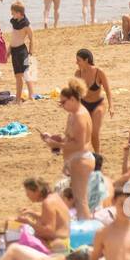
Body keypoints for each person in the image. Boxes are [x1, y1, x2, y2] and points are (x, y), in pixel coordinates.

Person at [40, 79, 95, 219]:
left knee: (81, 201)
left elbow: (80, 145)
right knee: (76, 201)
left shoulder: (80, 116)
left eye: (63, 102)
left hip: (82, 160)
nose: (62, 106)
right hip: (75, 161)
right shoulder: (73, 115)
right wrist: (54, 138)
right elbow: (71, 140)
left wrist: (56, 145)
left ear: (72, 99)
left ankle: (87, 234)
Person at [74, 48, 113, 161]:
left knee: (94, 132)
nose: (76, 62)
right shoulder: (78, 73)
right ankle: (85, 154)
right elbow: (74, 92)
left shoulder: (98, 72)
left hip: (98, 104)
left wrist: (111, 106)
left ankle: (98, 155)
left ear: (86, 60)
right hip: (84, 104)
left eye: (78, 60)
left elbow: (108, 90)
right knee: (83, 132)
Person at [7, 1, 36, 103]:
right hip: (14, 51)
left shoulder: (26, 25)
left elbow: (32, 39)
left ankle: (31, 97)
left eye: (13, 12)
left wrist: (31, 52)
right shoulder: (14, 22)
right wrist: (8, 51)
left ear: (19, 13)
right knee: (18, 76)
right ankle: (18, 99)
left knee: (26, 73)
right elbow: (13, 38)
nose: (12, 14)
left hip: (22, 51)